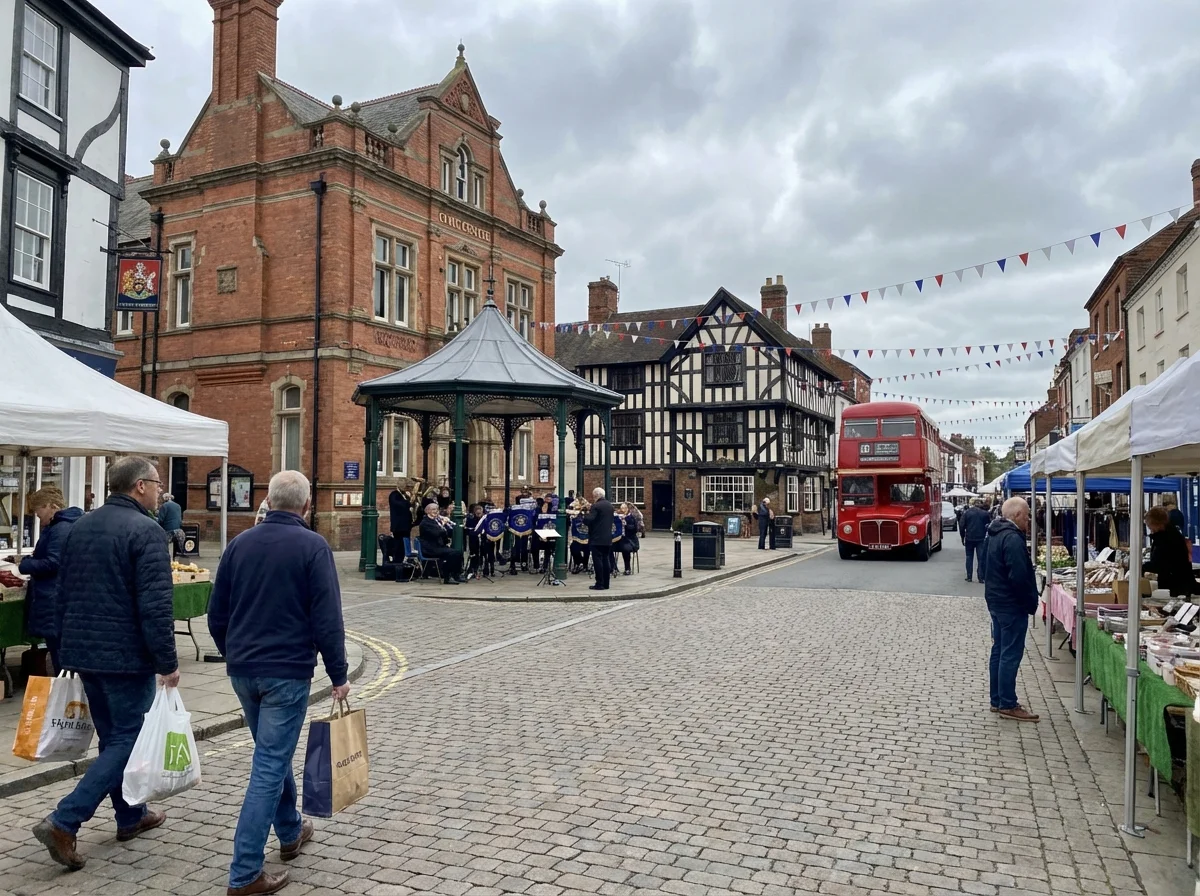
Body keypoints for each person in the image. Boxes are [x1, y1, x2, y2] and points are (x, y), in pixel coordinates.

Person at [206, 470, 349, 896]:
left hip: (244, 670)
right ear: (306, 506)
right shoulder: (313, 546)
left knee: (273, 752)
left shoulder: (239, 544)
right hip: (286, 671)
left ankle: (290, 831)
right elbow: (327, 619)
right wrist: (338, 675)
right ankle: (245, 871)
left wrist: (233, 652)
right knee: (269, 763)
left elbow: (217, 613)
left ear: (267, 501)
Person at [32, 457, 179, 871]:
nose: (160, 490)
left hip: (82, 652)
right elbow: (155, 606)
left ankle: (131, 815)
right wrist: (167, 663)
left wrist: (62, 648)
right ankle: (65, 820)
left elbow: (63, 593)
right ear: (138, 487)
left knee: (113, 737)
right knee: (126, 739)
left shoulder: (80, 526)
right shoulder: (147, 531)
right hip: (125, 657)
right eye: (156, 483)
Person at [9, 487, 81, 671]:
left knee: (60, 655)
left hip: (53, 598)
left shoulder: (60, 528)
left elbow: (53, 562)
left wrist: (25, 565)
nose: (37, 515)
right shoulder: (63, 526)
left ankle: (65, 695)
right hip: (58, 596)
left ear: (51, 506)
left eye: (38, 510)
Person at [983, 497, 1039, 722]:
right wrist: (1029, 602)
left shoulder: (994, 534)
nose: (1028, 520)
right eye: (1026, 515)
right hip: (1010, 604)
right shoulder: (1012, 538)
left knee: (999, 650)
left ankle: (997, 699)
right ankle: (1007, 702)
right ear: (1016, 515)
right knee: (1010, 653)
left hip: (997, 601)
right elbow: (1019, 576)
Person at [1143, 506, 1197, 597]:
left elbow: (1160, 563)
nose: (1149, 527)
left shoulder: (1167, 539)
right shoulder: (1168, 535)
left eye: (1149, 525)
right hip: (1177, 583)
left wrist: (1142, 567)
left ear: (1157, 523)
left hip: (1176, 586)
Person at [419, 502, 465, 585]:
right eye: (433, 509)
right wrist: (442, 525)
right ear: (427, 511)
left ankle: (456, 575)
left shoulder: (437, 521)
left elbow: (446, 534)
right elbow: (436, 533)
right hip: (430, 548)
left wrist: (449, 526)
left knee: (459, 553)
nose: (436, 511)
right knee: (452, 554)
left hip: (439, 546)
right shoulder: (425, 522)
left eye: (437, 509)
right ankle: (447, 577)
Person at [584, 487, 614, 591]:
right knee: (606, 560)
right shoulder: (610, 506)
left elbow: (589, 520)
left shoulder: (596, 506)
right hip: (608, 538)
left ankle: (599, 583)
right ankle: (606, 583)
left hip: (597, 538)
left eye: (593, 496)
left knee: (598, 561)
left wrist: (585, 514)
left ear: (596, 495)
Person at [960, 499, 990, 583]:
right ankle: (981, 577)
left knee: (969, 557)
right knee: (981, 558)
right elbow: (989, 525)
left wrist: (962, 537)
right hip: (981, 538)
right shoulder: (985, 514)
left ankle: (969, 576)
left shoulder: (967, 513)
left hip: (969, 538)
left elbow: (961, 525)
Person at [388, 483, 413, 562]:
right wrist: (408, 501)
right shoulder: (394, 494)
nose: (406, 488)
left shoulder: (404, 495)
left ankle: (403, 561)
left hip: (406, 525)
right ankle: (397, 563)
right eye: (405, 487)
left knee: (404, 545)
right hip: (399, 526)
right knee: (398, 546)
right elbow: (399, 504)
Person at [157, 492, 185, 559]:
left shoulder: (164, 506)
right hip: (179, 531)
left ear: (164, 499)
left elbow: (160, 520)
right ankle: (177, 557)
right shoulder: (178, 506)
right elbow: (180, 520)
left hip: (168, 531)